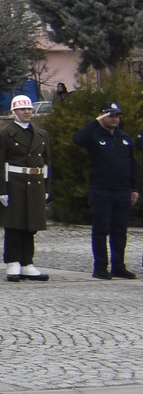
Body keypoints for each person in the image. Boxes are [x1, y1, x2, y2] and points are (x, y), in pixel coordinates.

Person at [0, 94, 50, 283]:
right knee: (14, 225)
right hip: (15, 183)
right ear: (14, 112)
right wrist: (0, 190)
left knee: (31, 225)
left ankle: (27, 262)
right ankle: (12, 262)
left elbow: (46, 163)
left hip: (35, 183)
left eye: (29, 109)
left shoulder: (41, 134)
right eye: (22, 109)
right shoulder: (3, 134)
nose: (27, 112)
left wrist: (46, 187)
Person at [76, 101, 138, 279]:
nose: (115, 119)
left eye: (117, 115)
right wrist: (95, 121)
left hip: (123, 190)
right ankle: (100, 266)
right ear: (102, 115)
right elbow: (77, 139)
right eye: (110, 115)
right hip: (102, 189)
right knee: (101, 228)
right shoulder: (94, 135)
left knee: (120, 229)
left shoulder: (124, 137)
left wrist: (135, 188)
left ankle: (118, 266)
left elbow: (132, 164)